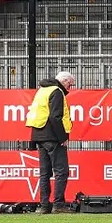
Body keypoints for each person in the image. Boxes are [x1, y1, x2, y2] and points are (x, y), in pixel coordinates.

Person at [26, 71, 75, 214]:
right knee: (61, 171)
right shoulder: (57, 91)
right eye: (69, 84)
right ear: (64, 81)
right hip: (53, 137)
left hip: (39, 136)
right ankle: (58, 204)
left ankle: (44, 205)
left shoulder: (42, 90)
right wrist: (63, 137)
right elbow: (55, 117)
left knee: (44, 173)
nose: (69, 88)